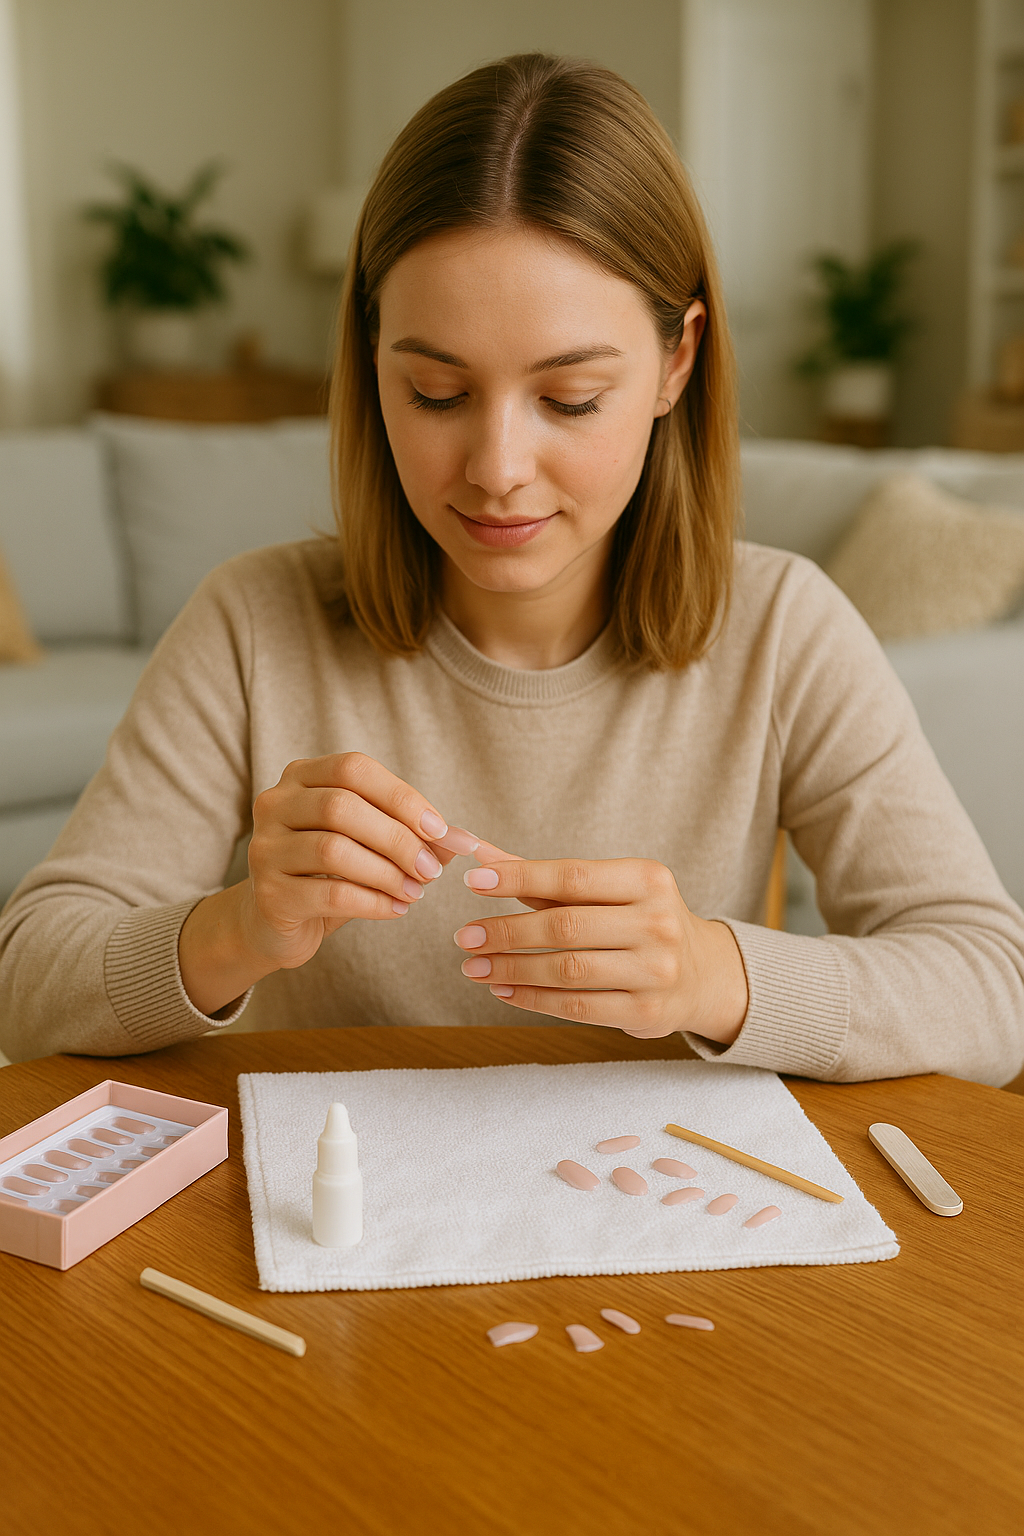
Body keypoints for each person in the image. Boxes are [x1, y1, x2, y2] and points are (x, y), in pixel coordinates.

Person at [1, 54, 1022, 1084]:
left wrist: (714, 973)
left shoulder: (784, 630)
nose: (495, 471)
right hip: (333, 1224)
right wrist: (236, 929)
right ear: (370, 365)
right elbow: (29, 978)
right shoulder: (252, 624)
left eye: (570, 398)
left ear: (677, 362)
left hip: (671, 1218)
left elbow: (990, 991)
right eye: (437, 393)